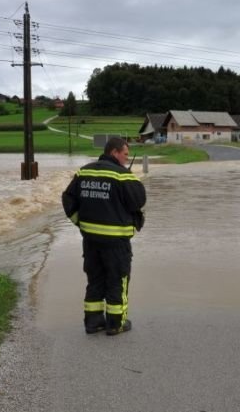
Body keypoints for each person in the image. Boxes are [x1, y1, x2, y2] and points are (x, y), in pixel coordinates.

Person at [61, 138, 146, 336]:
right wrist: (131, 178)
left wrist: (79, 223)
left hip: (90, 240)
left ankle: (93, 322)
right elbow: (139, 201)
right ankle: (116, 323)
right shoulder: (123, 176)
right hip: (116, 241)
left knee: (95, 279)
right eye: (125, 154)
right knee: (117, 279)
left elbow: (68, 199)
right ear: (115, 152)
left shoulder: (84, 171)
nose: (126, 158)